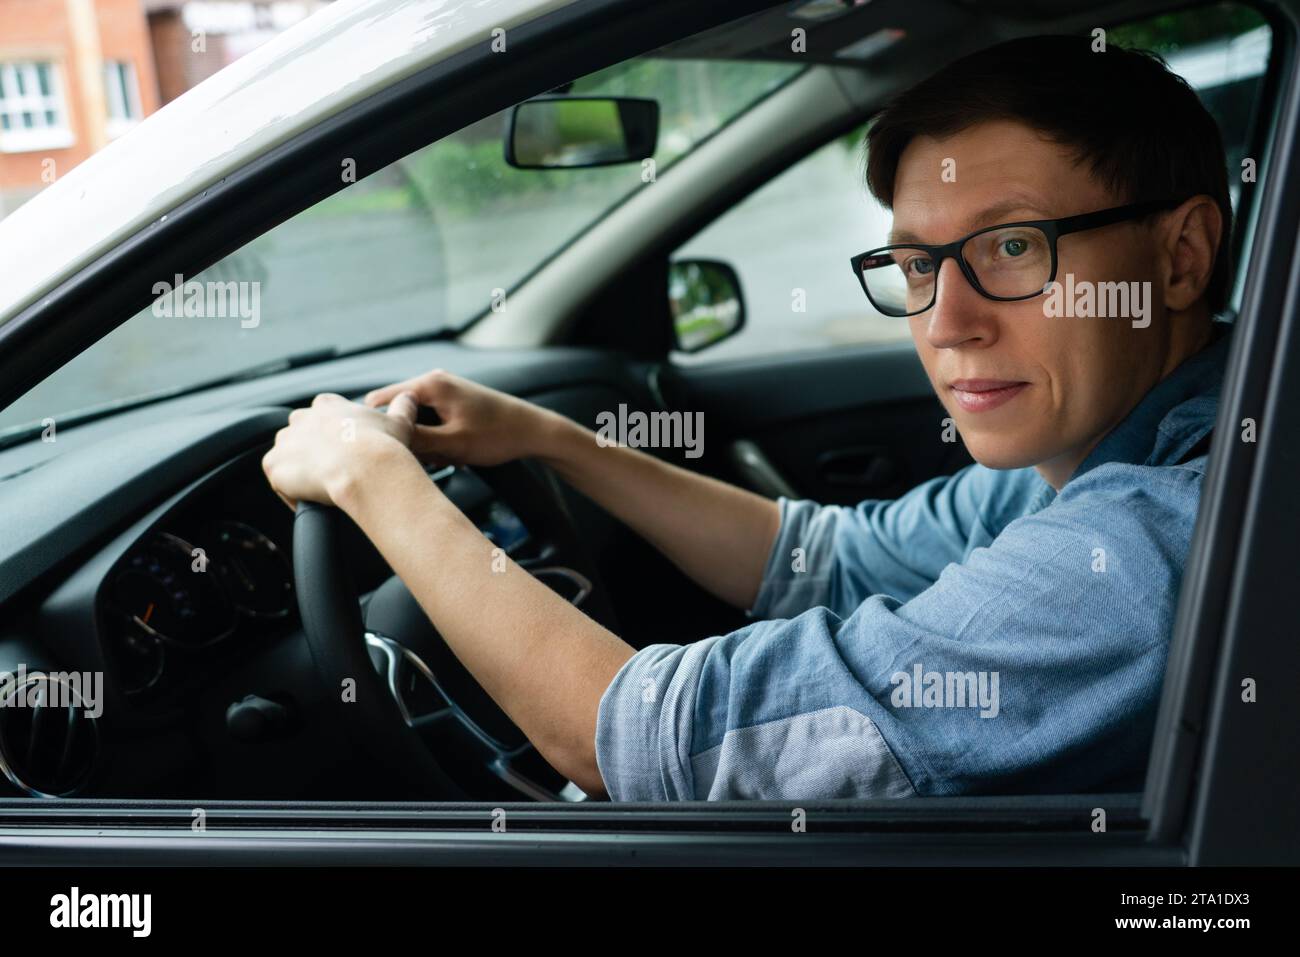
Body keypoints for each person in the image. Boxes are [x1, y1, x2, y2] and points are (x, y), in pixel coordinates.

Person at [263, 35, 1233, 800]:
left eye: (1014, 247)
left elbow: (636, 741)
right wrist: (546, 438)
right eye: (914, 265)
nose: (945, 323)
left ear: (1181, 256)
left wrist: (372, 481)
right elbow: (828, 559)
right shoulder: (1105, 451)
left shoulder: (1149, 546)